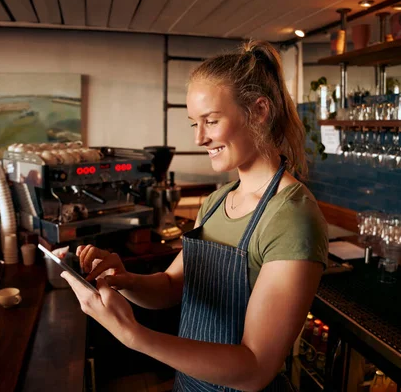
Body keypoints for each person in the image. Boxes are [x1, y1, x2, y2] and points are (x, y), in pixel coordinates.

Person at [60, 40, 328, 392]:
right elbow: (172, 286)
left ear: (259, 111)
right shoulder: (217, 202)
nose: (200, 137)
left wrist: (132, 335)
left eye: (211, 121)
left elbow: (255, 368)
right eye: (194, 124)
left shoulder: (292, 218)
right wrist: (122, 278)